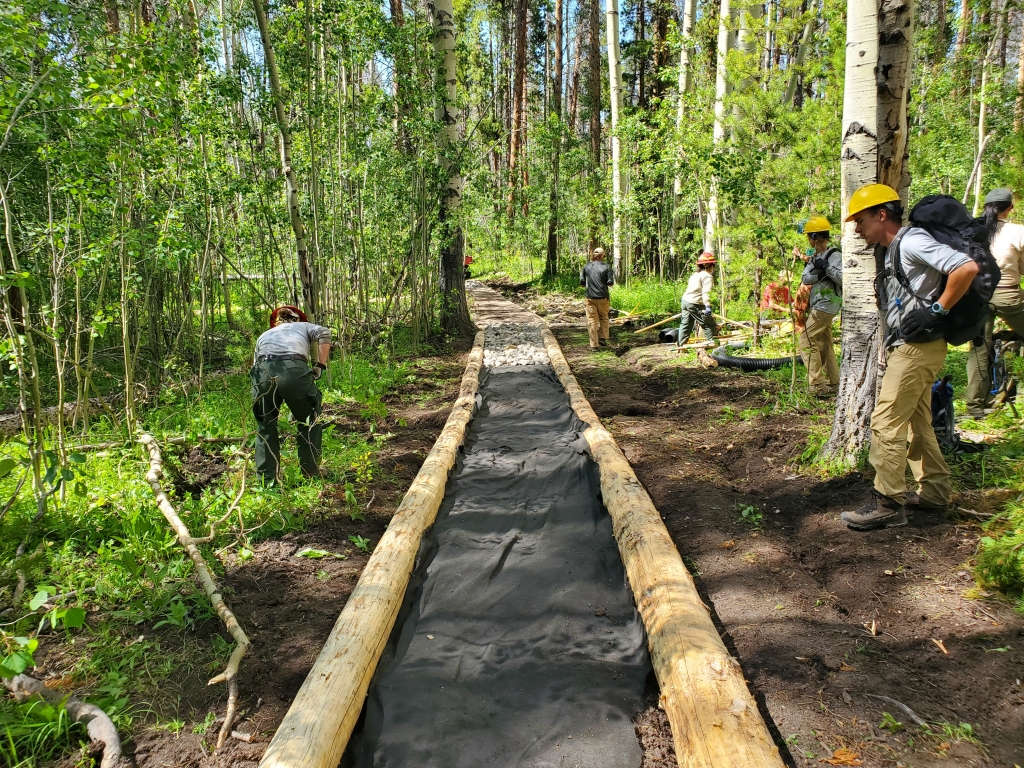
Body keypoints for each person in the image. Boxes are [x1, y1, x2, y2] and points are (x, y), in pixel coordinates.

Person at [840, 184, 979, 531]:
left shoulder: (912, 241)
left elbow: (966, 268)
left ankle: (888, 502)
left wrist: (937, 310)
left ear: (881, 214)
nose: (857, 228)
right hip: (911, 346)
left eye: (860, 220)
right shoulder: (892, 250)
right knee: (918, 424)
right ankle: (933, 493)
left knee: (885, 421)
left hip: (920, 346)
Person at [251, 306, 332, 483]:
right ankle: (310, 472)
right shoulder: (304, 327)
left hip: (263, 372)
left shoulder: (264, 335)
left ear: (276, 322)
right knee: (309, 420)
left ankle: (267, 480)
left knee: (265, 425)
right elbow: (324, 333)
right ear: (299, 320)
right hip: (294, 370)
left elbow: (255, 364)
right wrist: (320, 365)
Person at [965, 188, 1024, 418]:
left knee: (979, 349)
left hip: (978, 296)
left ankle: (974, 407)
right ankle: (1012, 385)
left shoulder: (972, 230)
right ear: (1010, 207)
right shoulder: (1017, 232)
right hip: (1007, 295)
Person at [794, 216, 842, 396]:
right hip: (818, 304)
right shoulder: (815, 257)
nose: (808, 240)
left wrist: (827, 268)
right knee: (826, 343)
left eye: (809, 236)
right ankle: (834, 383)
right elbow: (806, 278)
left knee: (805, 339)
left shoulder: (835, 255)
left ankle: (816, 386)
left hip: (827, 304)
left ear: (815, 237)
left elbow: (844, 279)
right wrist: (821, 272)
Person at [677, 252, 718, 346]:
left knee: (686, 324)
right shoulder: (707, 276)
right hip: (695, 302)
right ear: (708, 265)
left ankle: (681, 346)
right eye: (713, 265)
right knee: (708, 323)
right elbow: (706, 292)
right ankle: (711, 344)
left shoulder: (695, 274)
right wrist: (707, 306)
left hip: (685, 301)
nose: (713, 267)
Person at [580, 247, 614, 349]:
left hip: (590, 298)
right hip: (603, 297)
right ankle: (602, 338)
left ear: (593, 256)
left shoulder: (586, 267)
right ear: (602, 256)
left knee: (592, 320)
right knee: (603, 317)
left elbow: (582, 283)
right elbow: (610, 283)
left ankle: (594, 345)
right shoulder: (607, 267)